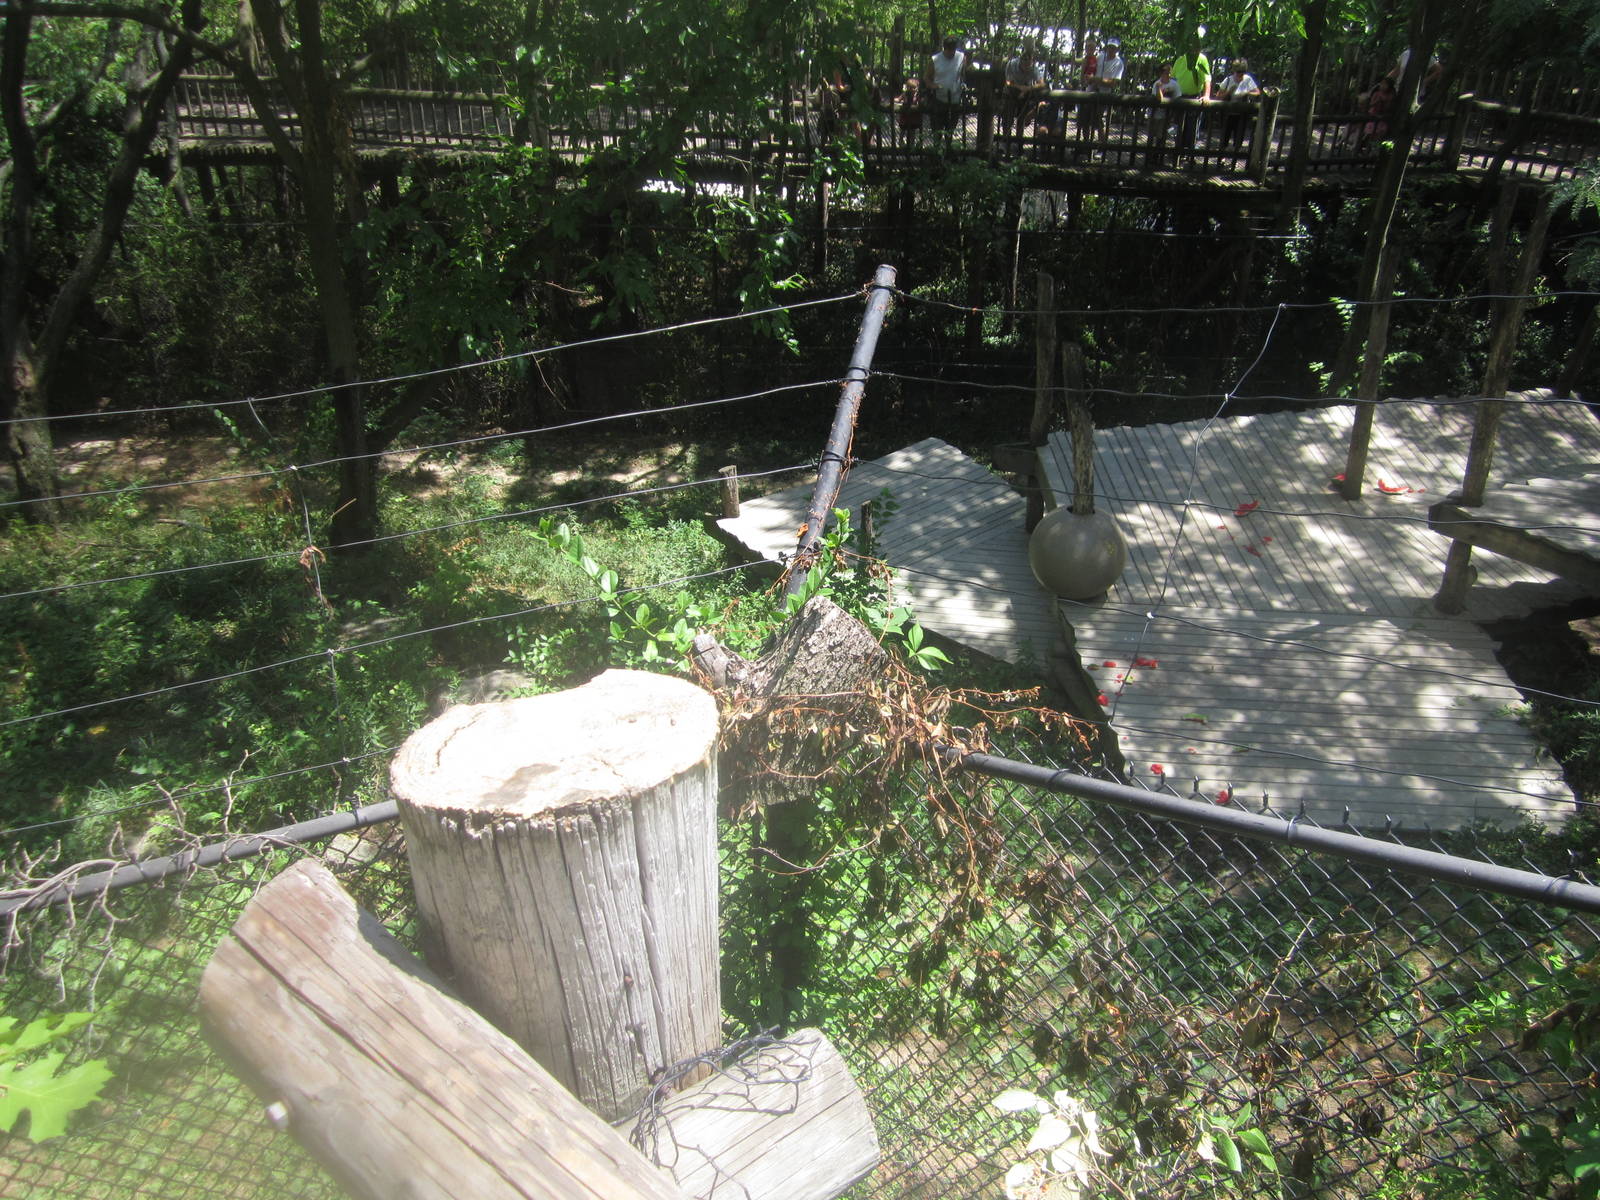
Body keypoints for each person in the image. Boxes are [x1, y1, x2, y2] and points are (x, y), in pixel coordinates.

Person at [1171, 35, 1210, 150]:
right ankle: (1177, 150)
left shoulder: (1202, 59)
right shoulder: (1180, 59)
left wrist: (1206, 95)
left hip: (1194, 98)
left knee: (1192, 126)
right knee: (1178, 126)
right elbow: (1173, 78)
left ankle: (1190, 153)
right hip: (1179, 97)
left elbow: (1207, 78)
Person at [1001, 43, 1046, 143]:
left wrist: (1028, 88)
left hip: (1026, 92)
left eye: (1029, 62)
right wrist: (1020, 88)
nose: (1026, 65)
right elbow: (1007, 82)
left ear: (1032, 62)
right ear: (1020, 61)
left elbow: (1042, 84)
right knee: (1007, 118)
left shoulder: (1034, 69)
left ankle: (1019, 141)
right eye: (1024, 61)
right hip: (1010, 90)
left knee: (1021, 118)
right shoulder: (1011, 65)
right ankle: (1005, 142)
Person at [1216, 57, 1260, 149]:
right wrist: (1228, 92)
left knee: (1239, 138)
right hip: (1227, 114)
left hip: (1241, 115)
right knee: (1224, 137)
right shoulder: (1228, 80)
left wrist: (1247, 92)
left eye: (1242, 72)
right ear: (1234, 70)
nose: (1240, 74)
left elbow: (1257, 92)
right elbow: (1218, 96)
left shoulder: (1248, 80)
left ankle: (1235, 160)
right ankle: (1221, 158)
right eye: (1238, 72)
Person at [925, 36, 966, 132]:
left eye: (953, 50)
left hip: (955, 101)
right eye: (949, 50)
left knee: (950, 130)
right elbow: (927, 78)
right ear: (944, 48)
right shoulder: (935, 60)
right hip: (939, 101)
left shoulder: (961, 57)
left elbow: (963, 73)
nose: (951, 53)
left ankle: (949, 146)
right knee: (937, 131)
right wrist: (933, 86)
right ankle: (937, 146)